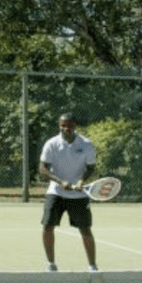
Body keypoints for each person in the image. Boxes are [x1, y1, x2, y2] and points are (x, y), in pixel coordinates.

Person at [38, 112, 97, 271]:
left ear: (74, 126)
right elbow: (42, 168)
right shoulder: (51, 144)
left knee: (85, 230)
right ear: (59, 126)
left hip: (78, 194)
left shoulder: (86, 144)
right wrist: (59, 181)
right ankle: (51, 264)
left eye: (69, 125)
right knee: (47, 227)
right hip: (56, 192)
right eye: (62, 125)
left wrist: (81, 181)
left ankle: (92, 266)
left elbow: (91, 167)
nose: (65, 128)